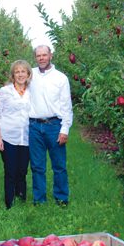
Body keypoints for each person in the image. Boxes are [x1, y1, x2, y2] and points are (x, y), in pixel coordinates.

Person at [28, 45, 73, 206]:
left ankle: (61, 198)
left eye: (44, 55)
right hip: (34, 126)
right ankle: (39, 200)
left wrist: (65, 129)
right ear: (35, 57)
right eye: (38, 55)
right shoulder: (30, 75)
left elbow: (66, 106)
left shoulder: (60, 78)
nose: (41, 58)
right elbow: (15, 86)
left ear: (50, 56)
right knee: (37, 166)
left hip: (54, 125)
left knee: (59, 166)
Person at [0, 60, 32, 209]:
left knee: (22, 170)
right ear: (13, 74)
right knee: (10, 170)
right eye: (17, 71)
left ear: (28, 74)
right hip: (8, 137)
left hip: (27, 138)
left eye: (23, 71)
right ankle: (9, 203)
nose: (20, 74)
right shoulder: (5, 91)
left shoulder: (32, 91)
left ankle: (21, 198)